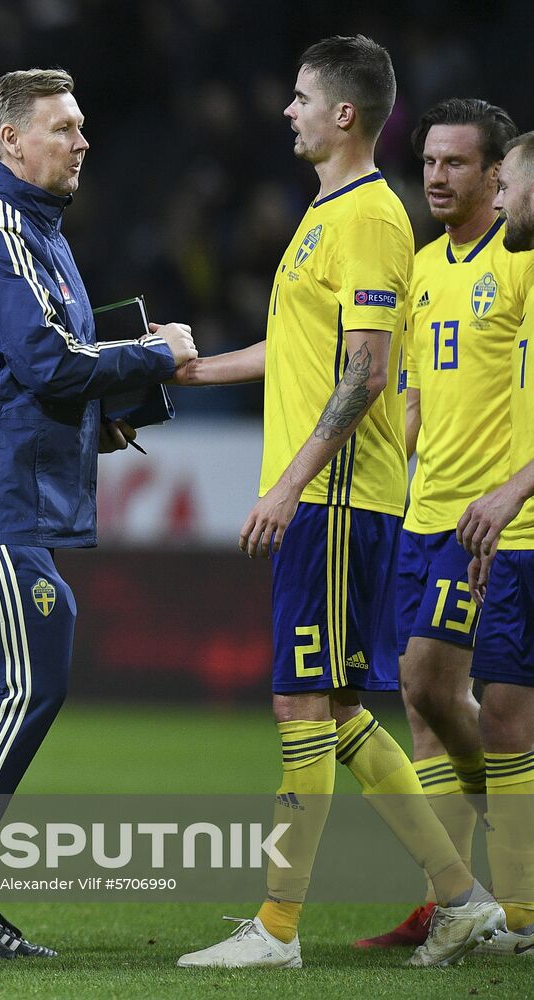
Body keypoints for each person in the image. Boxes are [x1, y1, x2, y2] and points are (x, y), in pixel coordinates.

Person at [171, 36, 502, 970]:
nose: (287, 110)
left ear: (344, 113)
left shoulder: (365, 218)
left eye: (301, 97)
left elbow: (366, 373)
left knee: (300, 705)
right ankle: (463, 896)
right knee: (337, 707)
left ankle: (277, 931)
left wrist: (289, 483)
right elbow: (304, 353)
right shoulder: (327, 215)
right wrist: (193, 370)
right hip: (332, 496)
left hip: (339, 498)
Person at [0, 67, 197, 960]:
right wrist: (151, 354)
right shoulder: (0, 232)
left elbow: (29, 369)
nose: (82, 141)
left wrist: (97, 414)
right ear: (11, 143)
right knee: (31, 679)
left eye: (81, 125)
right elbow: (50, 363)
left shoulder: (33, 230)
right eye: (64, 127)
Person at [355, 98, 530, 951]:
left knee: (434, 683)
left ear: (498, 177)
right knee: (421, 708)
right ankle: (453, 901)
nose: (435, 176)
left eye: (456, 163)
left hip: (484, 520)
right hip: (421, 514)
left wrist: (510, 498)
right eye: (428, 161)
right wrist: (398, 462)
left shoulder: (522, 260)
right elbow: (416, 392)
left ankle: (512, 862)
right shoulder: (424, 267)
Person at [454, 130, 534, 956]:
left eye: (507, 185)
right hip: (516, 542)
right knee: (504, 716)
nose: (498, 199)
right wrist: (501, 513)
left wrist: (510, 490)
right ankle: (523, 912)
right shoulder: (522, 281)